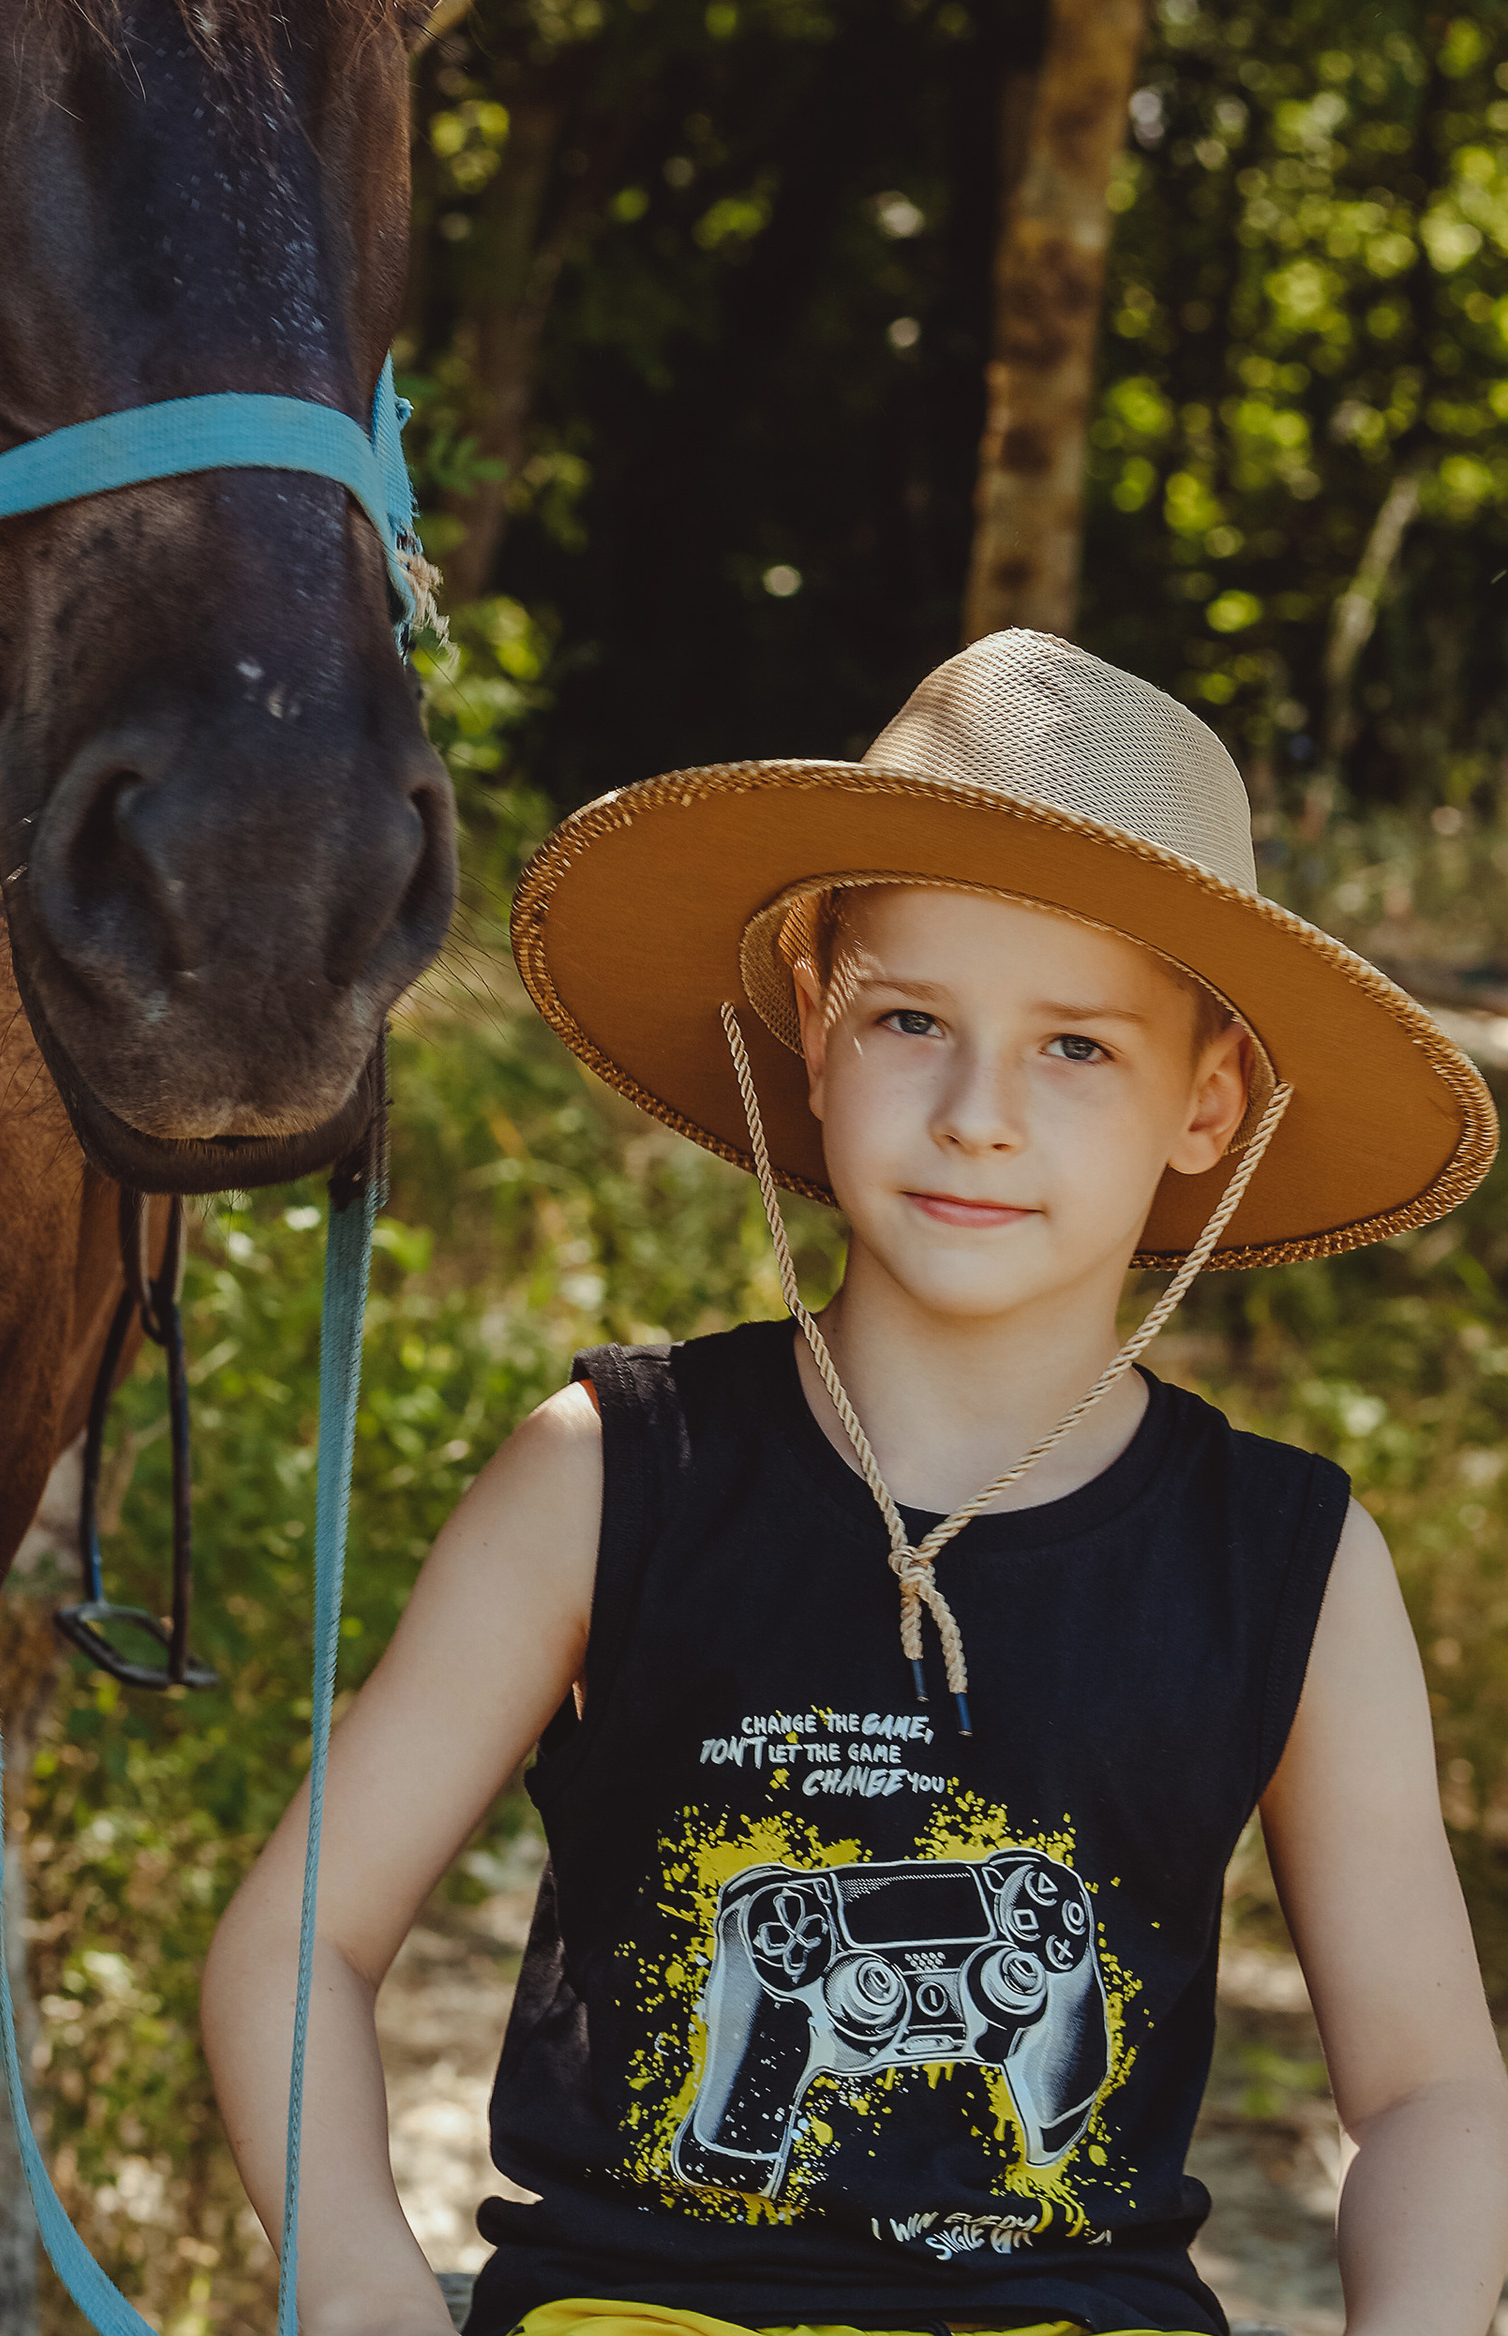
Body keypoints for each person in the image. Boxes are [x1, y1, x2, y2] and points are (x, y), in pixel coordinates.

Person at [202, 629, 1508, 2336]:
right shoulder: (609, 1471)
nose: (978, 1113)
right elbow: (293, 1942)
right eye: (912, 1019)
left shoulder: (1289, 1559)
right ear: (811, 1036)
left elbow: (1428, 2087)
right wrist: (363, 2293)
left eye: (1078, 1048)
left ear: (1212, 1102)